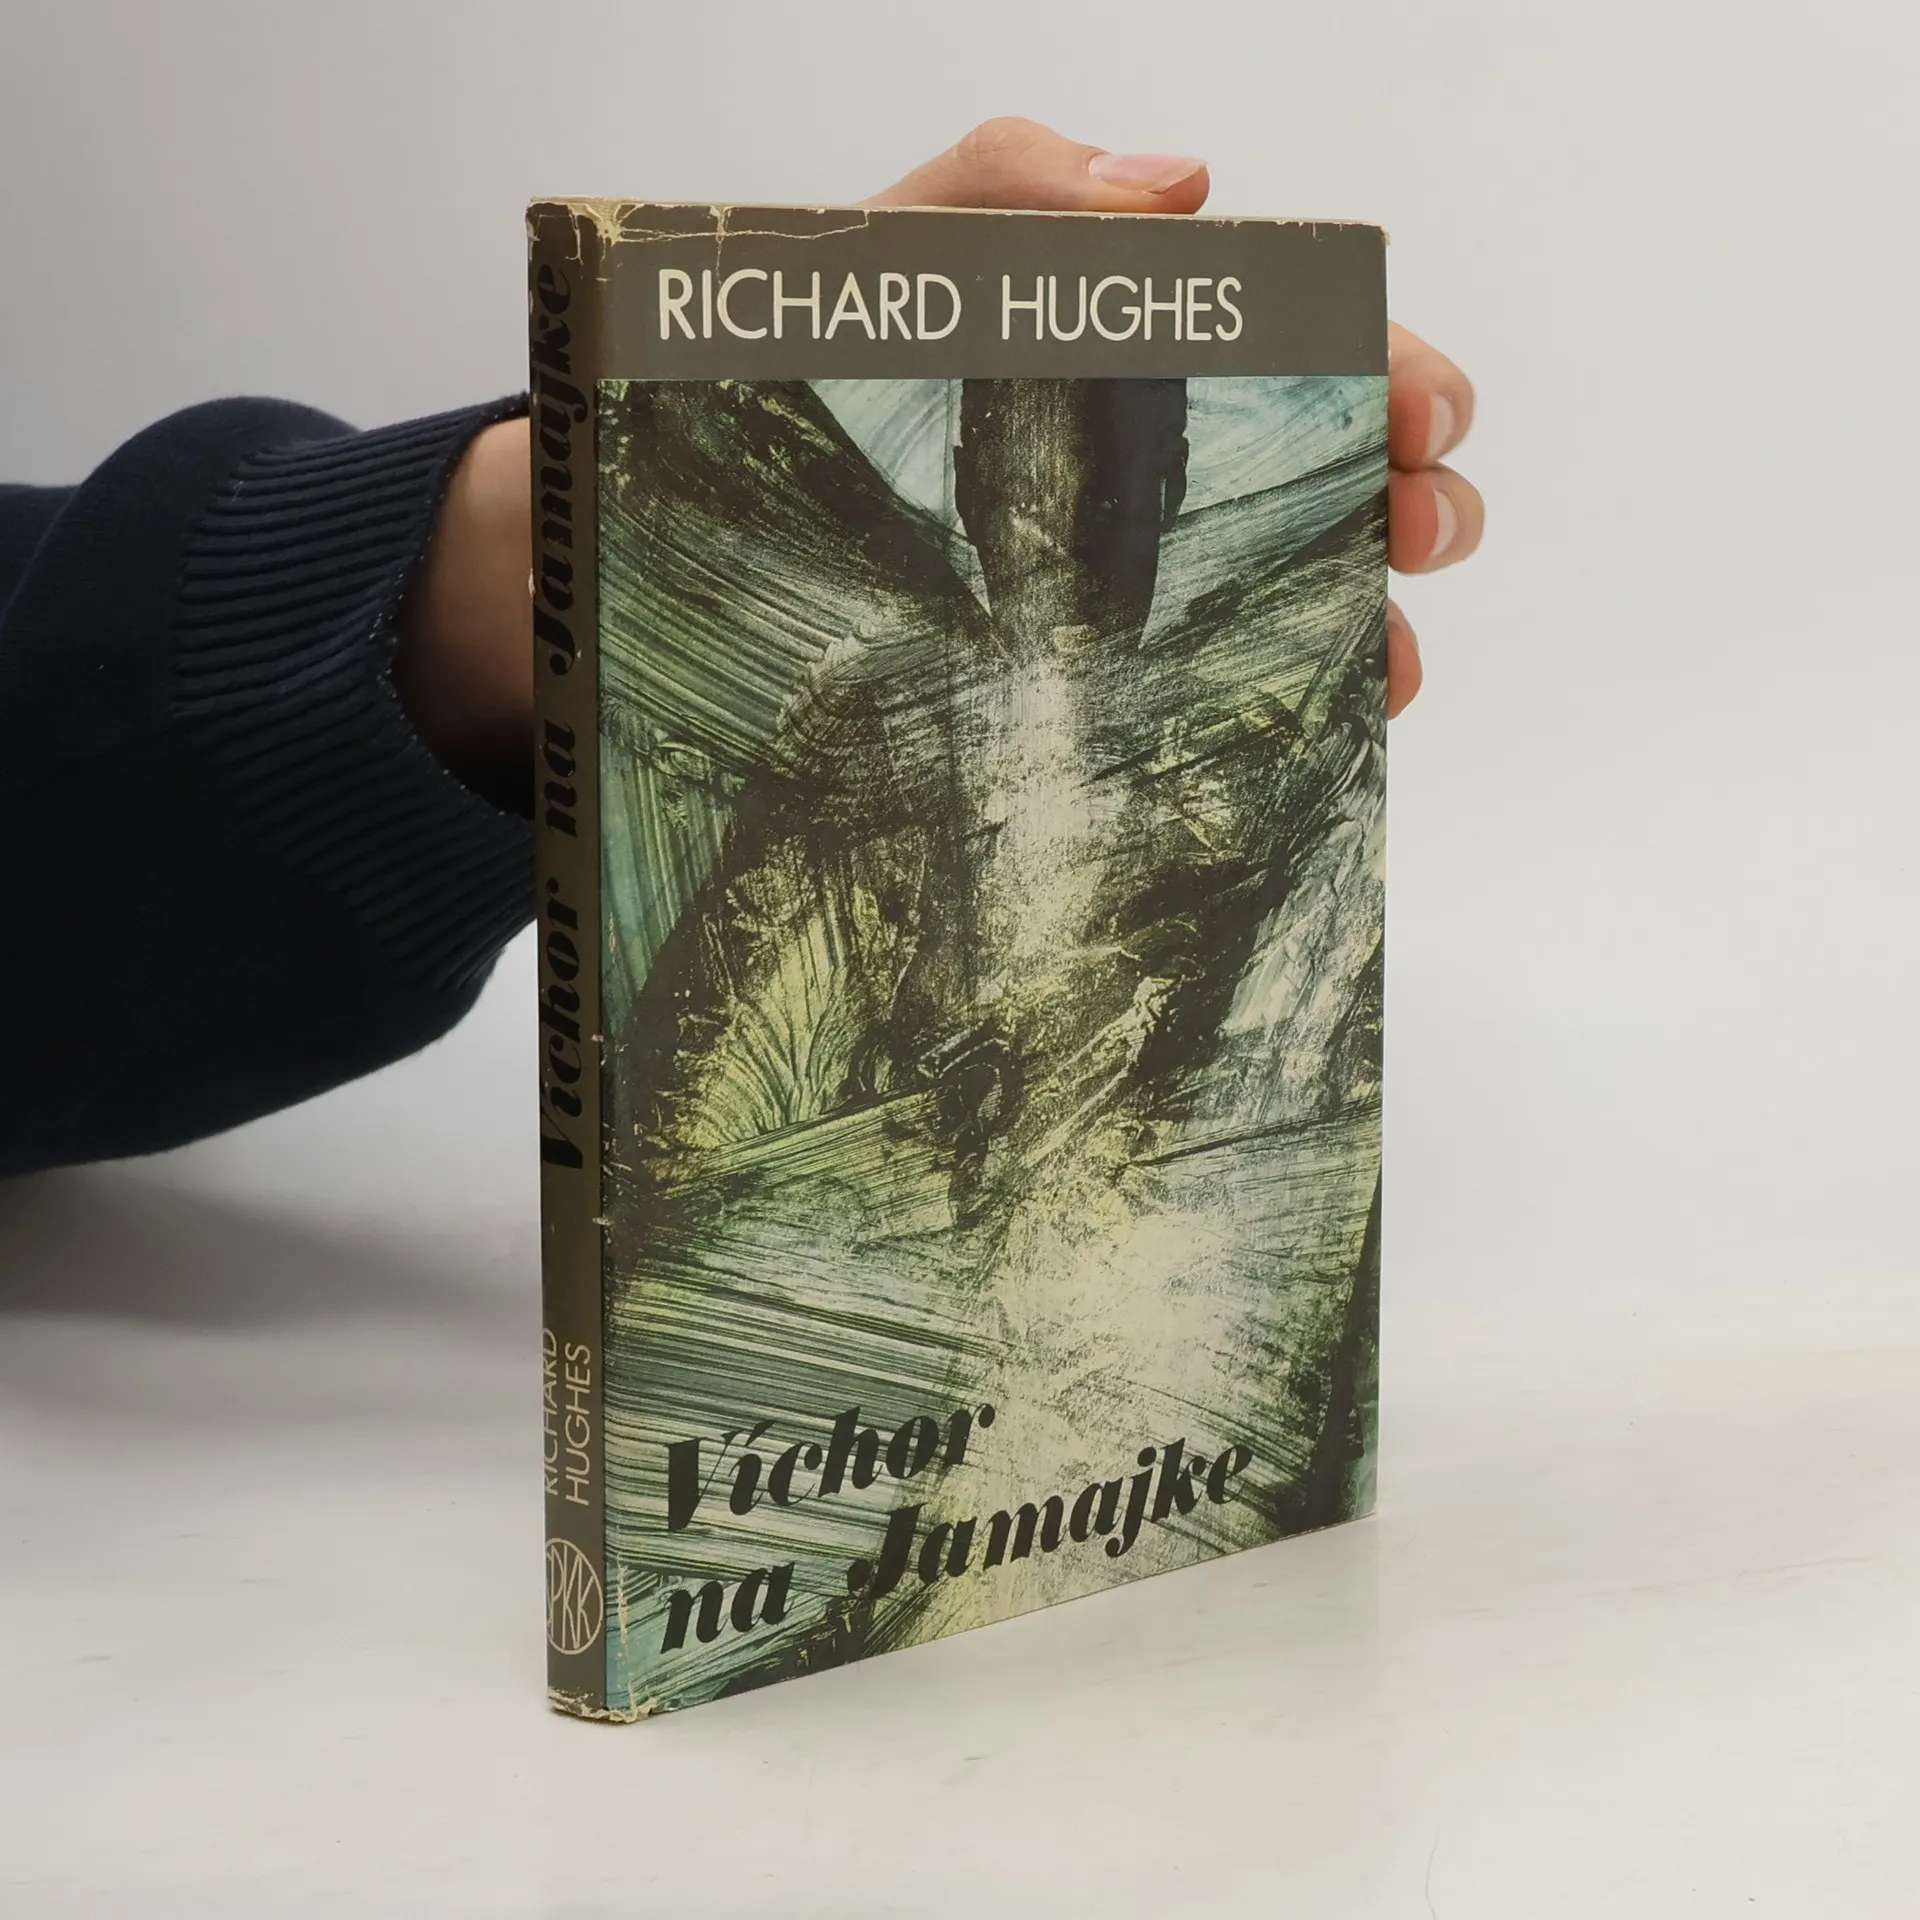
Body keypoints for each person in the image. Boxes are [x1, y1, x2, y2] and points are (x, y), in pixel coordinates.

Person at [0, 119, 1482, 1181]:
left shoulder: (1252, 762)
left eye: (1115, 473)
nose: (1064, 511)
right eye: (1025, 464)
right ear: (969, 482)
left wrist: (520, 561)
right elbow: (688, 1131)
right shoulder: (874, 733)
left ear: (1173, 485)